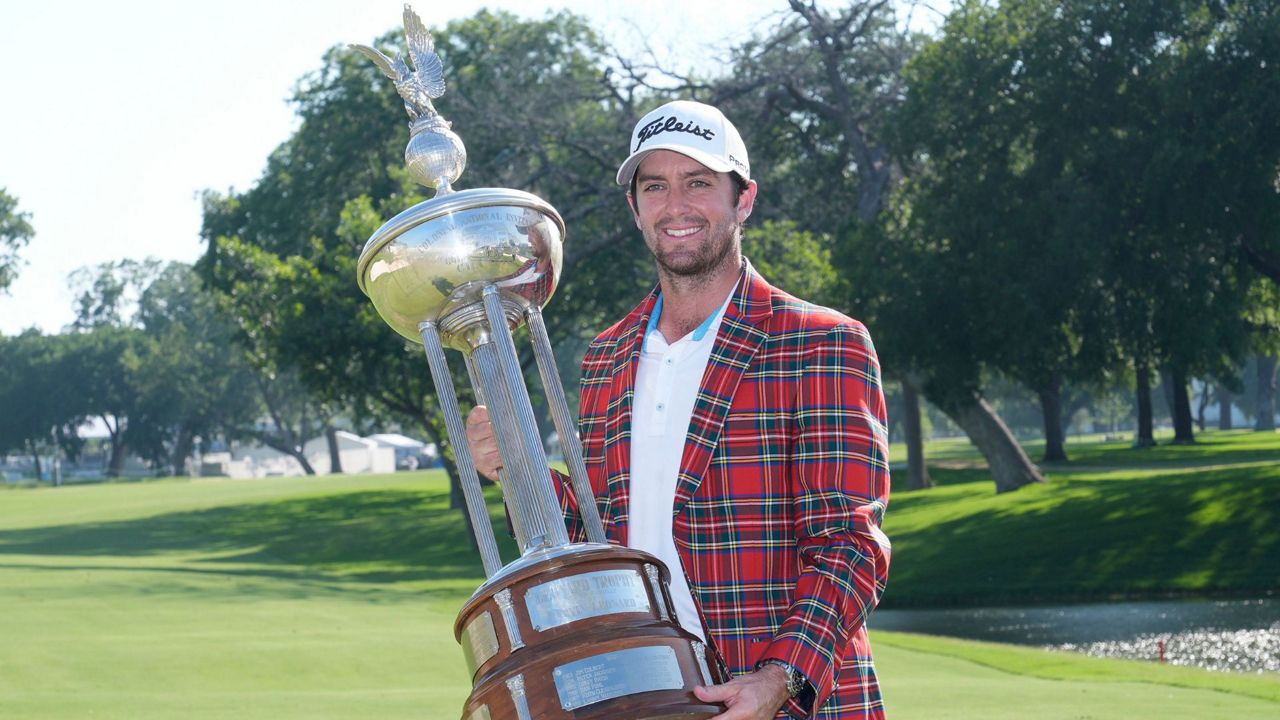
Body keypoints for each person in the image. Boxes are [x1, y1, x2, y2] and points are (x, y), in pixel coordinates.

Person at [467, 100, 891, 720]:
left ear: (743, 200)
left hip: (783, 700)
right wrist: (517, 469)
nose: (677, 206)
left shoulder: (821, 342)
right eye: (655, 186)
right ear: (636, 209)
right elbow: (598, 540)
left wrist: (780, 677)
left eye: (699, 183)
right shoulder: (608, 356)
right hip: (651, 696)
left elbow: (850, 545)